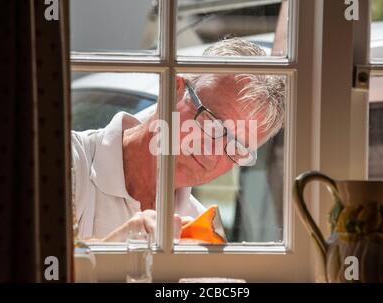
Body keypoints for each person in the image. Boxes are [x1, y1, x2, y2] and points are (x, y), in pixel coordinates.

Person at [71, 38, 286, 242]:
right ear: (173, 89)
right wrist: (118, 252)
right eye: (211, 122)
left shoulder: (199, 228)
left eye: (236, 147)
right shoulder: (71, 163)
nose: (212, 153)